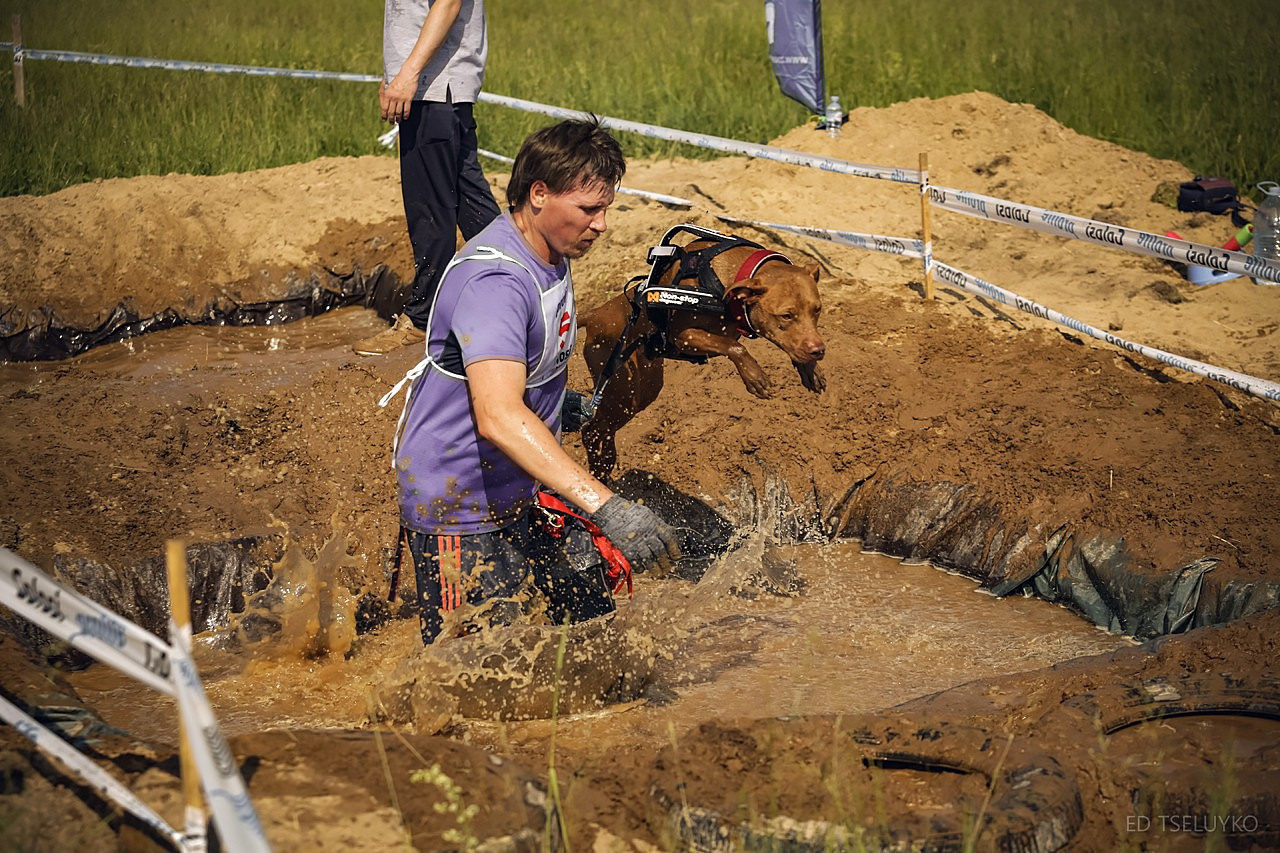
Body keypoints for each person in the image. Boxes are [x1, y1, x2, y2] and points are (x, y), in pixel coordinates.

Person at [382, 117, 682, 644]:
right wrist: (606, 505)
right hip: (459, 503)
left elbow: (507, 371)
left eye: (606, 208)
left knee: (591, 624)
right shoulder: (497, 279)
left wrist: (559, 402)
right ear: (539, 194)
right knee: (474, 671)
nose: (602, 225)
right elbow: (497, 414)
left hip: (520, 485)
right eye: (589, 209)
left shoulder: (550, 251)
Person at [356, 0, 502, 356]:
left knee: (430, 210)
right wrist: (394, 74)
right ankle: (526, 286)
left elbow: (448, 3)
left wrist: (406, 75)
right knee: (471, 202)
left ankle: (423, 320)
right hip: (433, 87)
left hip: (434, 88)